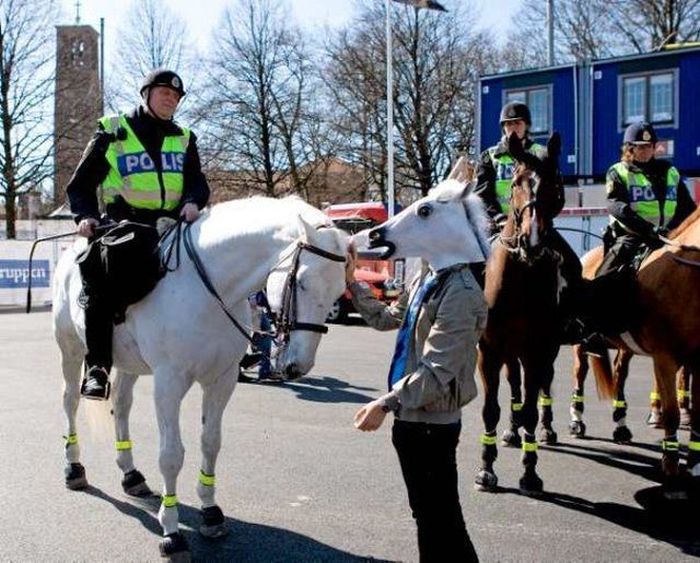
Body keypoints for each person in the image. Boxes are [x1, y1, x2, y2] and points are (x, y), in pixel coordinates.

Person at [66, 68, 210, 400]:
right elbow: (82, 183)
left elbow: (196, 181)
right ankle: (99, 368)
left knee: (217, 261)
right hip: (125, 227)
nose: (170, 99)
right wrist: (86, 215)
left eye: (175, 96)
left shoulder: (185, 136)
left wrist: (192, 201)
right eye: (164, 92)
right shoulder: (113, 130)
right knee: (101, 275)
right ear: (146, 94)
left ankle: (228, 347)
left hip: (174, 226)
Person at [349, 245, 487, 562]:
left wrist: (385, 404)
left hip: (432, 425)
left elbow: (437, 371)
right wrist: (352, 283)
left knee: (442, 521)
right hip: (411, 419)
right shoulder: (427, 275)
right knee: (430, 519)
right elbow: (387, 318)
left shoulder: (461, 291)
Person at [474, 101, 583, 340]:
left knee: (573, 265)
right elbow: (482, 195)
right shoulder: (490, 157)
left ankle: (572, 321)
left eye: (518, 123)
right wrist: (499, 218)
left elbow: (557, 194)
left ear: (527, 126)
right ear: (503, 127)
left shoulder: (542, 154)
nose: (513, 128)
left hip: (538, 224)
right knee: (470, 266)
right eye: (509, 124)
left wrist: (541, 219)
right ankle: (471, 318)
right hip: (500, 225)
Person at [597, 121, 696, 278]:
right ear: (630, 148)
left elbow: (687, 207)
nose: (645, 151)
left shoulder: (669, 171)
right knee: (603, 279)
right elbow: (617, 207)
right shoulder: (618, 172)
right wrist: (649, 229)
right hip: (632, 238)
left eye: (649, 146)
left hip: (669, 236)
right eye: (640, 147)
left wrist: (678, 230)